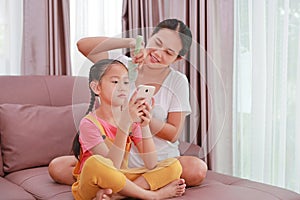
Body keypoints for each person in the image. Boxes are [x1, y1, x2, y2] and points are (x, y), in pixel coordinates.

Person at [48, 18, 207, 189]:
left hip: (156, 161)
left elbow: (173, 133)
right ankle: (140, 185)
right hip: (116, 158)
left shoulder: (177, 81)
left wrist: (144, 118)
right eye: (157, 43)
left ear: (177, 59)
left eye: (168, 52)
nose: (158, 53)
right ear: (149, 38)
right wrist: (129, 42)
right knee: (58, 167)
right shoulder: (121, 65)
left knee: (196, 169)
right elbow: (83, 45)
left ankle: (119, 189)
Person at [71, 59, 186, 200]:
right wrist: (124, 125)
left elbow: (151, 163)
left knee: (174, 166)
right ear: (96, 88)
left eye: (126, 82)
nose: (122, 87)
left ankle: (115, 196)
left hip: (120, 180)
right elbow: (111, 166)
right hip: (93, 183)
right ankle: (151, 195)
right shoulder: (88, 123)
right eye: (115, 82)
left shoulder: (132, 121)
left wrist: (144, 125)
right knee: (95, 163)